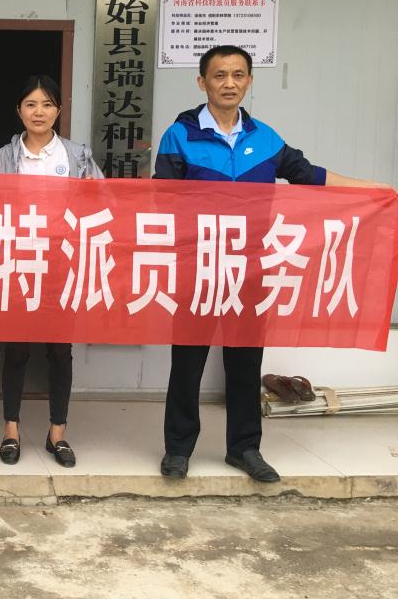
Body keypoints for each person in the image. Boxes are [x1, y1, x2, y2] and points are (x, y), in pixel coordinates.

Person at [154, 44, 379, 482]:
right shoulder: (179, 136)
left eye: (238, 75)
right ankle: (178, 449)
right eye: (219, 75)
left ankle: (244, 449)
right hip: (198, 268)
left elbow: (310, 176)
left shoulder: (266, 138)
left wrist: (372, 189)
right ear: (202, 82)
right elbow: (160, 200)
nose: (229, 83)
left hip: (251, 270)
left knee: (244, 363)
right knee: (187, 364)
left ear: (249, 81)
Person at [0, 75, 102, 467]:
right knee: (16, 348)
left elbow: (101, 201)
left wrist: (92, 197)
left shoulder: (77, 155)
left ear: (58, 110)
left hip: (62, 264)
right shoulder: (5, 157)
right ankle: (11, 429)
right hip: (18, 262)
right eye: (31, 104)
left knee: (59, 350)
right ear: (19, 110)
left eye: (47, 104)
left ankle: (58, 433)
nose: (39, 112)